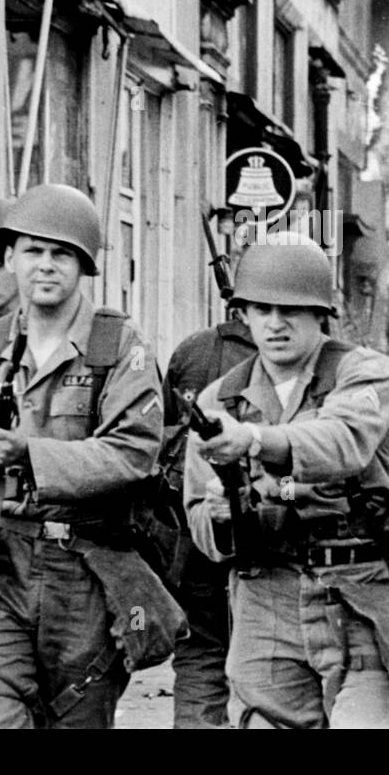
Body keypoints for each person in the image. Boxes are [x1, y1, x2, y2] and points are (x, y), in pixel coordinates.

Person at [0, 184, 185, 728]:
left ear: (84, 265)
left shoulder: (120, 348)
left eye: (61, 254)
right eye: (32, 251)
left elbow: (133, 452)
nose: (46, 266)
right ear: (9, 258)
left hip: (86, 574)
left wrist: (30, 455)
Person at [185, 239, 389, 729]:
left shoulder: (364, 373)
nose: (276, 323)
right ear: (243, 314)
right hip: (264, 603)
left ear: (321, 315)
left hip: (361, 596)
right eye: (262, 309)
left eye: (292, 310)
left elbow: (343, 442)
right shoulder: (217, 402)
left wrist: (252, 440)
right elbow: (203, 532)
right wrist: (223, 513)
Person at [161, 306, 256, 728]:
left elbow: (164, 434)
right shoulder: (307, 359)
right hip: (261, 538)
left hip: (193, 530)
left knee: (201, 654)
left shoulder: (193, 348)